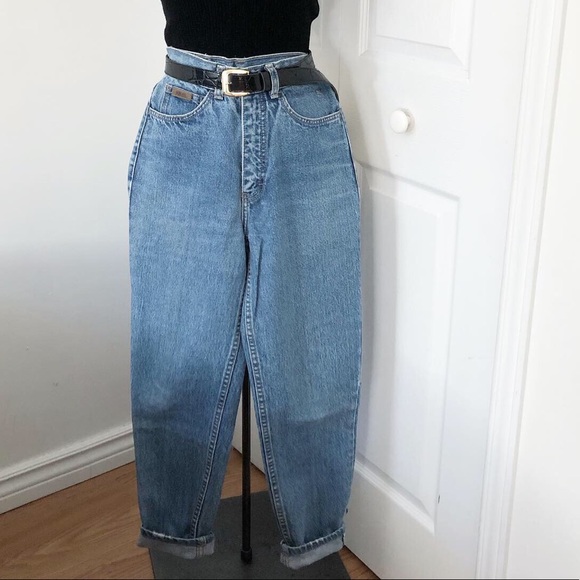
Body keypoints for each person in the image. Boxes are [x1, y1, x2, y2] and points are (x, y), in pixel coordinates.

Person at [127, 0, 362, 570]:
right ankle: (176, 529)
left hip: (299, 115)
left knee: (310, 354)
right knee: (177, 347)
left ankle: (313, 533)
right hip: (187, 111)